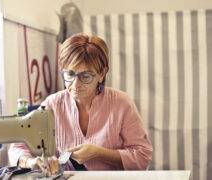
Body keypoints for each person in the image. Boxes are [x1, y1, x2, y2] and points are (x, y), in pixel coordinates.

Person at [8, 34, 153, 174]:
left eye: (85, 76)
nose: (75, 84)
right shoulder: (52, 104)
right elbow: (17, 147)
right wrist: (30, 162)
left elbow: (143, 157)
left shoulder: (121, 104)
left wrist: (99, 153)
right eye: (70, 74)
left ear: (102, 74)